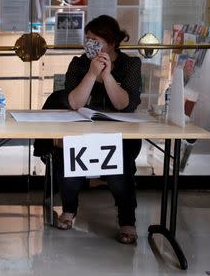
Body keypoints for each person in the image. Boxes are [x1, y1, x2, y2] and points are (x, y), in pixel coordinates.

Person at [54, 15, 143, 244]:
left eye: (95, 40)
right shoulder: (79, 63)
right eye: (87, 39)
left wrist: (107, 75)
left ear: (111, 43)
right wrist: (92, 74)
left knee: (119, 171)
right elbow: (74, 102)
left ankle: (127, 221)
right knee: (69, 160)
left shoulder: (130, 65)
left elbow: (125, 104)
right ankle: (69, 210)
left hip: (119, 135)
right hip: (83, 130)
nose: (89, 44)